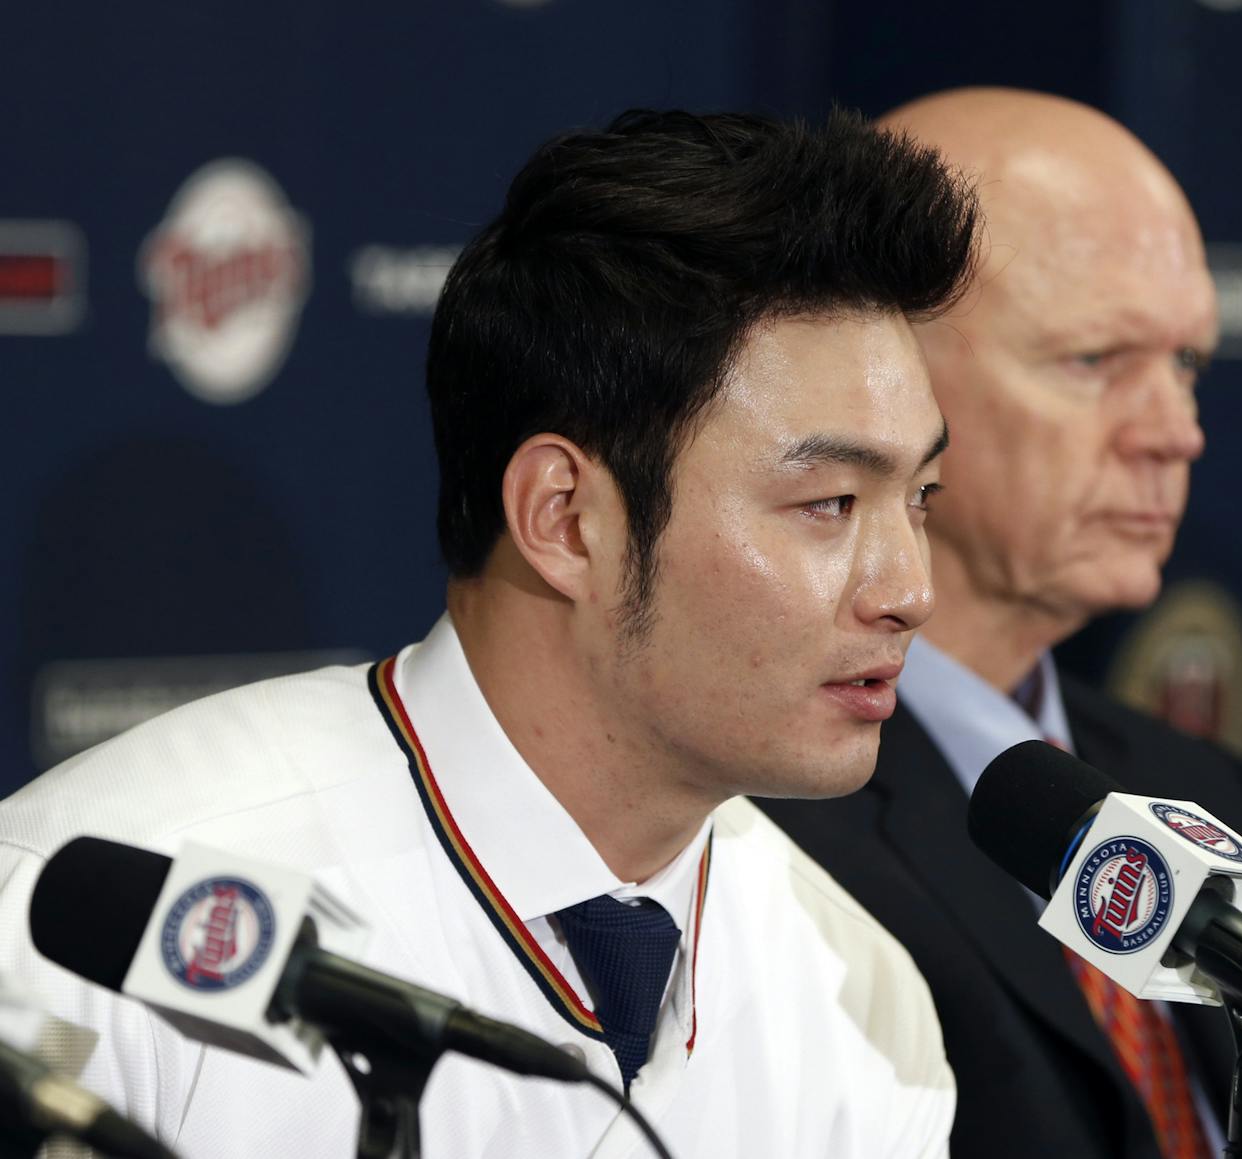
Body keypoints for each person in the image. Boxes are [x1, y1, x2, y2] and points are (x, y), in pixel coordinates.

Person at [0, 109, 979, 1157]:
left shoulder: (856, 1001)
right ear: (563, 518)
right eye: (829, 503)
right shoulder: (102, 921)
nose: (908, 588)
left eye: (918, 497)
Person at [760, 88, 1242, 1159]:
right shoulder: (759, 814)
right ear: (886, 378)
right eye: (1093, 361)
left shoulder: (1190, 780)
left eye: (1186, 364)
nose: (1175, 432)